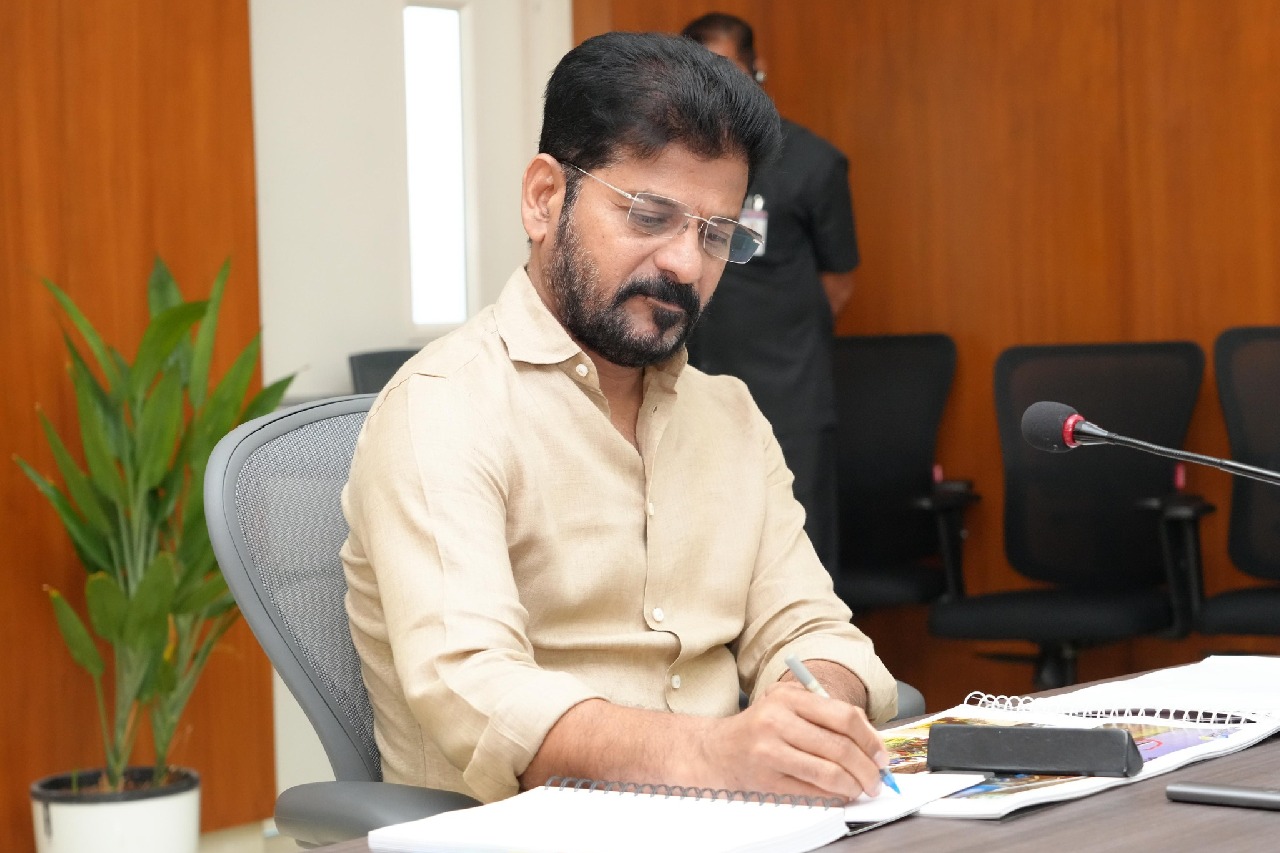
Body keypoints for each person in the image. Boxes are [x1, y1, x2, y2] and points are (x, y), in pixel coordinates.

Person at [340, 31, 896, 809]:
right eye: (649, 214)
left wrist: (812, 718)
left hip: (738, 820)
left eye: (716, 234)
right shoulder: (442, 407)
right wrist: (717, 754)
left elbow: (812, 630)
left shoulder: (729, 416)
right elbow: (479, 692)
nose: (686, 264)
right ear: (544, 198)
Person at [681, 12, 860, 575]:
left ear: (756, 68)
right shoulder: (675, 160)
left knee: (799, 558)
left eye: (725, 68)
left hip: (790, 393)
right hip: (695, 385)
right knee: (708, 555)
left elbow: (838, 281)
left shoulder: (811, 161)